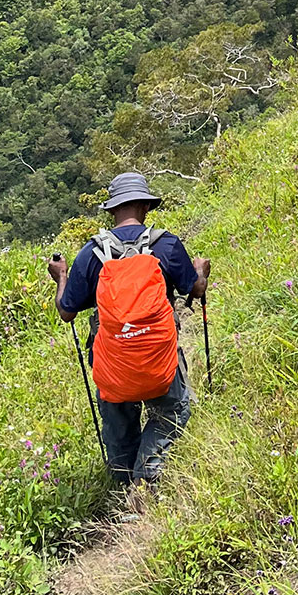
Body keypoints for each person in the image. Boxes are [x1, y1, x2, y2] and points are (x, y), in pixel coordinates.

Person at [47, 171, 210, 491]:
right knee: (172, 412)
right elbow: (196, 288)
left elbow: (67, 311)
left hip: (112, 360)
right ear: (145, 207)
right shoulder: (166, 244)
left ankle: (123, 491)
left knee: (118, 425)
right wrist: (201, 271)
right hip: (159, 355)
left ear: (112, 210)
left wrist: (61, 276)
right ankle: (147, 476)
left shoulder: (91, 253)